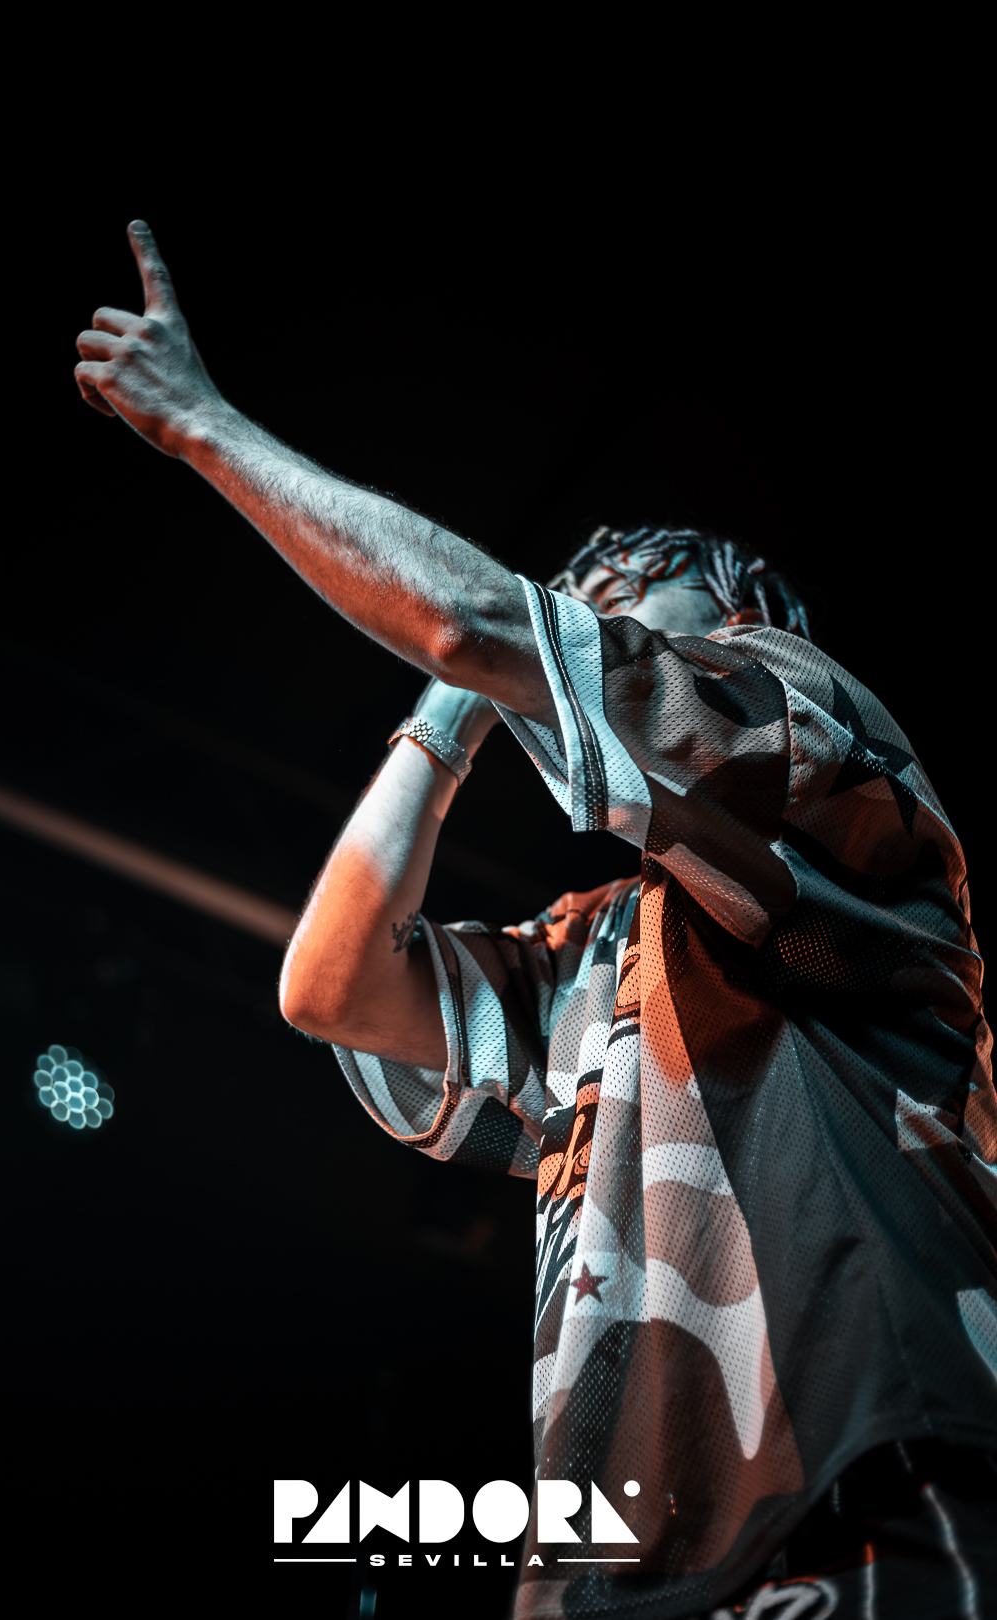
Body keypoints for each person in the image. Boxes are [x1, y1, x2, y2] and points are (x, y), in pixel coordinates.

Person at [76, 222, 997, 1619]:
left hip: (855, 1491)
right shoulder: (599, 946)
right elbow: (331, 984)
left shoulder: (812, 731)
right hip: (624, 1562)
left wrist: (206, 426)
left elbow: (472, 623)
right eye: (581, 602)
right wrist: (449, 719)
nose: (588, 614)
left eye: (623, 593)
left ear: (738, 610)